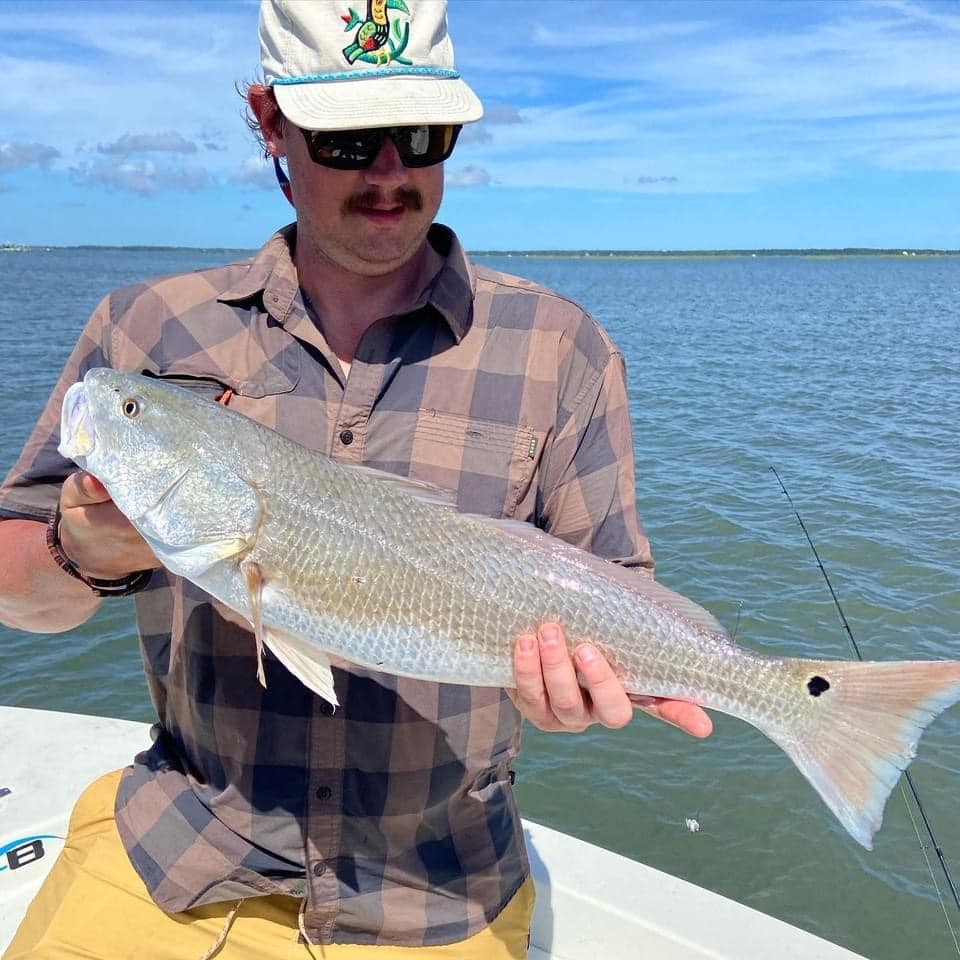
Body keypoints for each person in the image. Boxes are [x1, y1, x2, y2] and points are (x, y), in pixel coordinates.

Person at [0, 1, 710, 957]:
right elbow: (17, 591)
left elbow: (615, 589)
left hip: (442, 890)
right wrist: (71, 551)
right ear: (271, 123)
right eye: (347, 138)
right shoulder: (147, 326)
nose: (389, 172)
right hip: (183, 848)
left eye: (421, 136)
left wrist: (585, 691)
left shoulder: (561, 348)